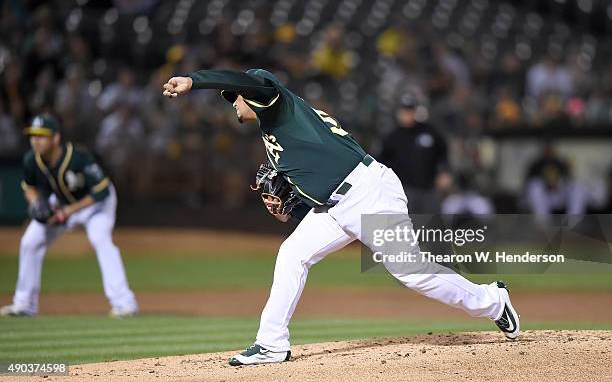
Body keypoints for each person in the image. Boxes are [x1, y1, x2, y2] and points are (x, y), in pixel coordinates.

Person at [162, 69, 520, 366]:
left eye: (236, 97)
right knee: (292, 254)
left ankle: (492, 300)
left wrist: (195, 81)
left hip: (368, 193)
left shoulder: (276, 101)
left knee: (411, 272)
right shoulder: (275, 132)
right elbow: (310, 188)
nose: (235, 103)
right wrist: (292, 207)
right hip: (335, 207)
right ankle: (271, 343)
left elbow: (250, 82)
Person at [0, 114, 138, 318]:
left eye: (42, 136)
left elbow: (101, 191)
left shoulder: (78, 157)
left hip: (95, 205)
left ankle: (124, 303)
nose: (36, 140)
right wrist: (37, 203)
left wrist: (68, 212)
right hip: (61, 203)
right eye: (33, 135)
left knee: (100, 239)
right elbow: (29, 188)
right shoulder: (32, 159)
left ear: (56, 138)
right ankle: (24, 304)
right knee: (30, 242)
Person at [378, 93, 451, 214]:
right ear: (399, 113)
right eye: (404, 111)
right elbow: (382, 163)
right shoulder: (391, 137)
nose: (407, 115)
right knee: (407, 226)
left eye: (410, 111)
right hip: (403, 190)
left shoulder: (428, 131)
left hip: (429, 189)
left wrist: (444, 171)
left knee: (431, 226)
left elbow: (442, 153)